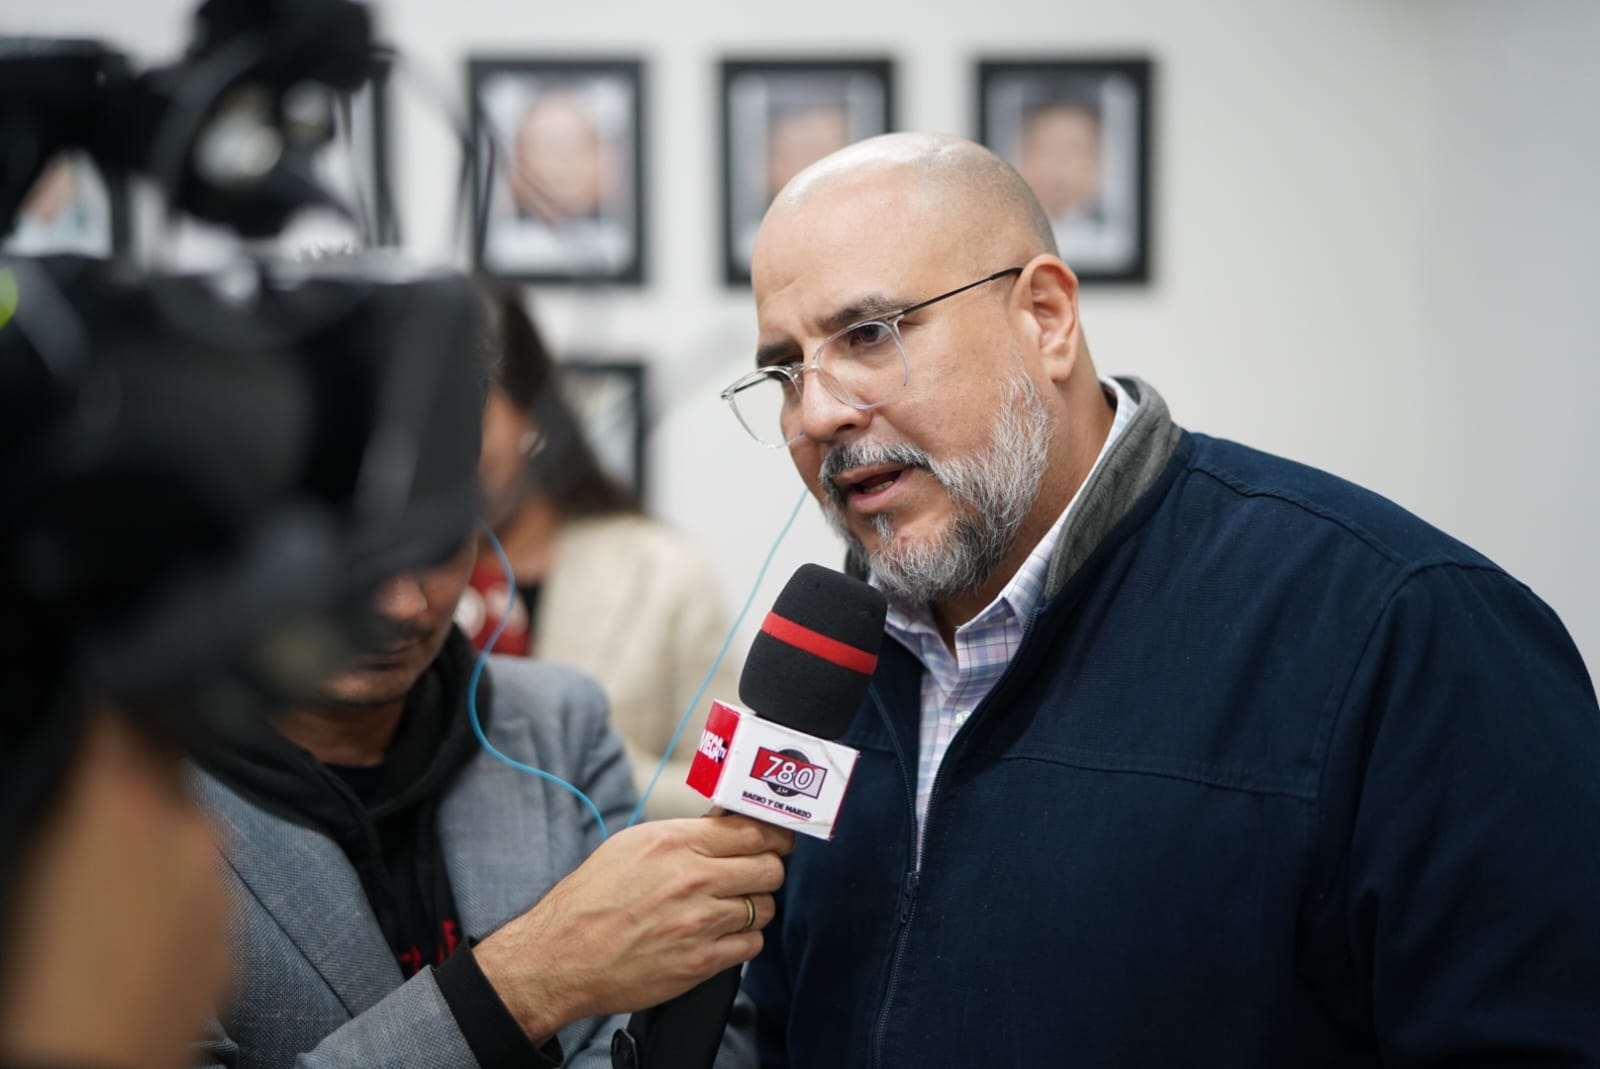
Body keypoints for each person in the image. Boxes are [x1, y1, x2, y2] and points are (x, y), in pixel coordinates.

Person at [724, 132, 1600, 1065]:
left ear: (1048, 316)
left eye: (869, 335)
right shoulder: (818, 668)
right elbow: (772, 1018)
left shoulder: (1404, 627)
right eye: (785, 370)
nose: (816, 414)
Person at [188, 324, 787, 1066]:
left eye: (439, 536)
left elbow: (708, 1031)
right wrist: (527, 977)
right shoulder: (117, 793)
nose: (404, 603)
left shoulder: (557, 724)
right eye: (357, 546)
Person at [460, 282, 738, 819]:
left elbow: (729, 787)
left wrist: (577, 765)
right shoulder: (382, 583)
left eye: (465, 418)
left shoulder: (659, 573)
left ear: (530, 409)